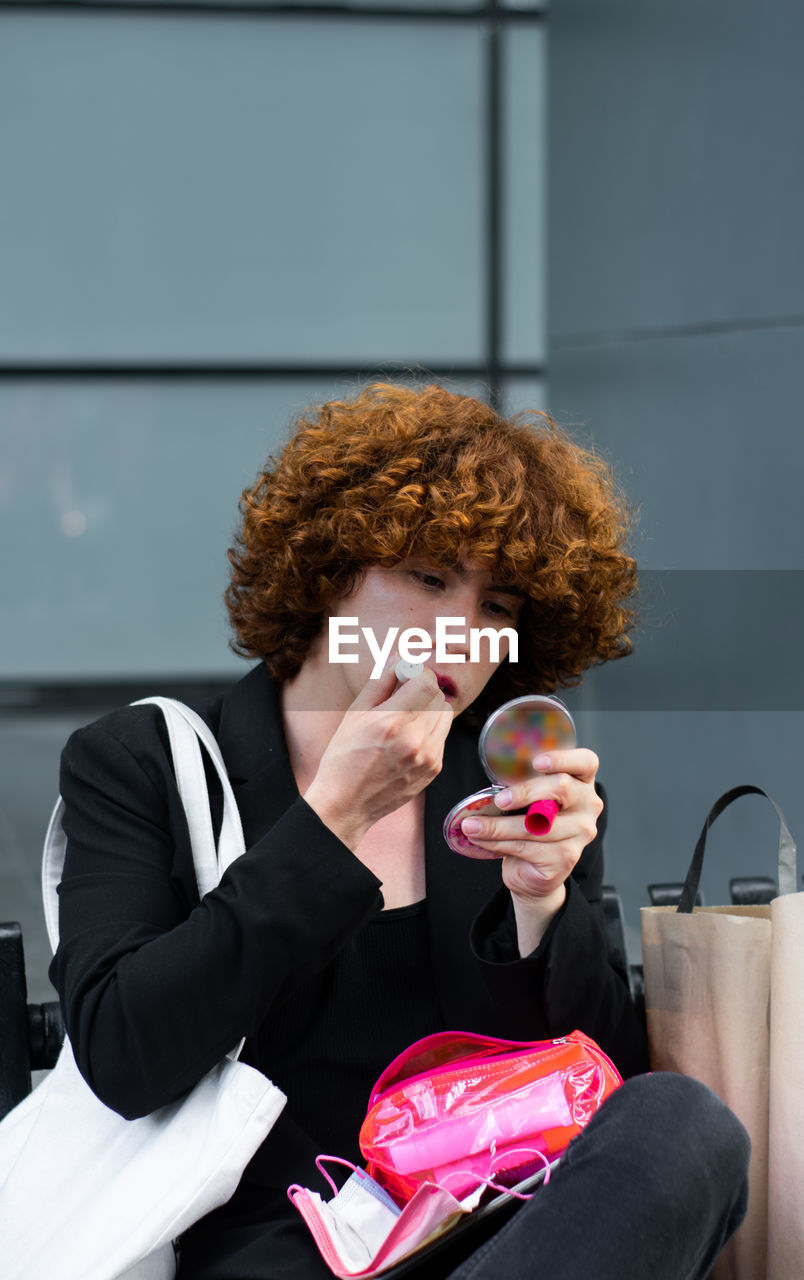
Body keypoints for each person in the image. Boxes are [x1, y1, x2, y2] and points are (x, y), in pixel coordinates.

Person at [52, 383, 749, 1280]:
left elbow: (594, 1084)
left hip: (506, 1227)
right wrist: (334, 819)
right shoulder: (147, 760)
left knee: (683, 1126)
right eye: (427, 578)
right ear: (326, 568)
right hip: (282, 1240)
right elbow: (122, 1054)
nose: (461, 630)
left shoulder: (512, 777)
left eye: (498, 607)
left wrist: (543, 902)